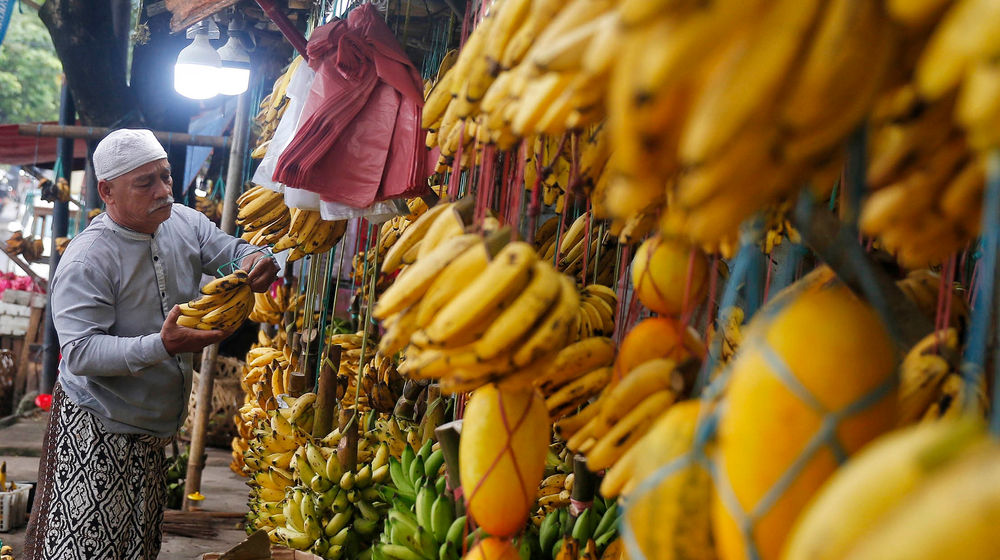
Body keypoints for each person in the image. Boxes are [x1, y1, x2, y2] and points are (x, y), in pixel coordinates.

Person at [24, 129, 279, 560]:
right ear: (107, 191)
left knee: (137, 549)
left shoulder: (185, 222)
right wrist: (161, 346)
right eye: (145, 182)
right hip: (97, 429)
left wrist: (255, 259)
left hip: (155, 432)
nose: (163, 190)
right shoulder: (87, 259)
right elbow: (81, 352)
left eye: (166, 175)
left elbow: (232, 251)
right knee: (83, 551)